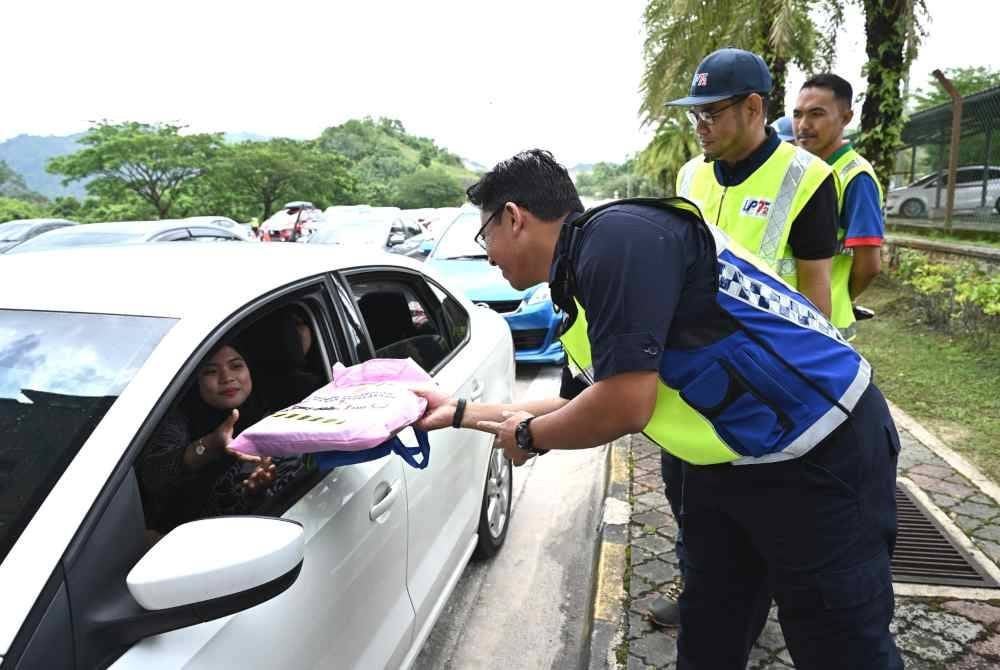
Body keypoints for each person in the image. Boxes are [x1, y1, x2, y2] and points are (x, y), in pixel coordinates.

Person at [413, 150, 902, 670]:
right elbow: (575, 403)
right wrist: (461, 411)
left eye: (483, 233)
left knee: (838, 644)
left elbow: (625, 406)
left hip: (820, 453)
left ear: (514, 217)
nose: (486, 254)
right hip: (727, 463)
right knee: (711, 628)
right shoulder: (576, 280)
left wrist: (532, 437)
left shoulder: (620, 240)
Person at [138, 340, 312, 535]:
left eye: (236, 366)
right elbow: (153, 477)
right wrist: (212, 443)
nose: (227, 377)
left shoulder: (280, 422)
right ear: (194, 380)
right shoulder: (173, 418)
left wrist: (256, 492)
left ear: (250, 370)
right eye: (211, 371)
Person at [793, 73, 884, 340]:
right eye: (797, 114)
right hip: (791, 316)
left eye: (816, 114)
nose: (803, 125)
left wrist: (841, 296)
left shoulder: (855, 177)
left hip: (826, 324)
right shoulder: (805, 170)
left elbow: (869, 265)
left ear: (846, 118)